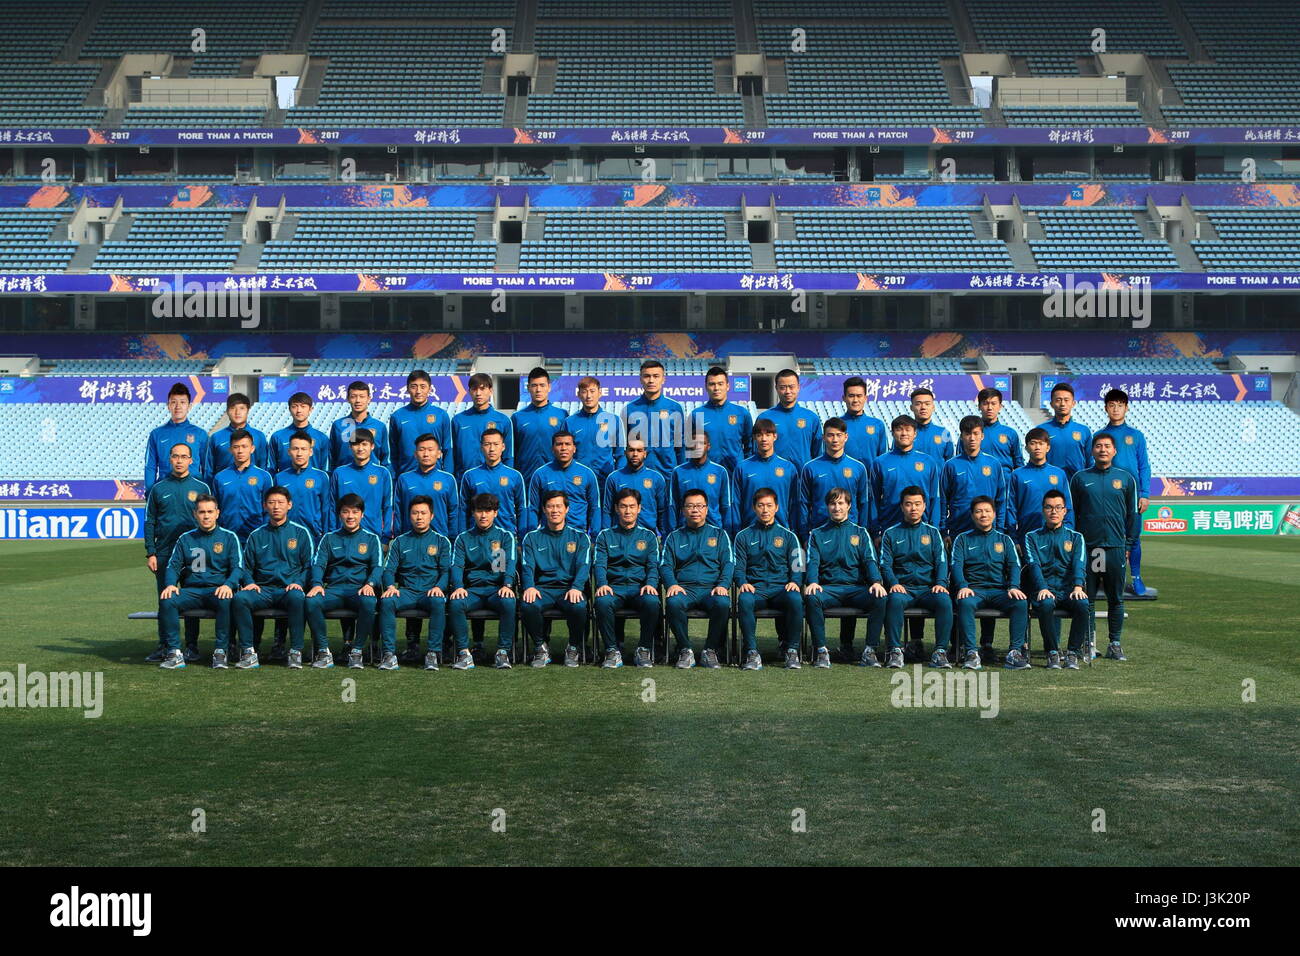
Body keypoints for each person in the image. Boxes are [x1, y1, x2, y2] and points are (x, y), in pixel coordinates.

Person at [1070, 434, 1139, 661]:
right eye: (1098, 446)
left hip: (1115, 548)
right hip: (1088, 548)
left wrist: (1127, 544)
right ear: (1092, 451)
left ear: (1114, 451)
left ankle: (1115, 643)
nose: (1102, 450)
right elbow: (1073, 515)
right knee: (1086, 598)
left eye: (1107, 446)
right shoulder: (1080, 479)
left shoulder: (1126, 479)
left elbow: (1133, 515)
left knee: (1115, 598)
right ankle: (1088, 643)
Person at [232, 486, 315, 670]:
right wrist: (251, 583)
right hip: (263, 590)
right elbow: (245, 567)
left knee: (297, 597)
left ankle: (295, 651)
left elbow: (309, 566)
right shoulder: (256, 535)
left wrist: (298, 583)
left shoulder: (301, 533)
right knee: (240, 599)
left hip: (288, 590)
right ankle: (249, 651)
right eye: (271, 503)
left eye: (280, 502)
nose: (276, 506)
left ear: (289, 505)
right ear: (264, 506)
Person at [157, 494, 243, 670]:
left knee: (226, 600)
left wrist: (228, 585)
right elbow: (173, 566)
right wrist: (171, 584)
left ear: (217, 513)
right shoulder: (185, 538)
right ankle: (174, 652)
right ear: (195, 514)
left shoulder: (229, 537)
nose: (206, 516)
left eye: (210, 512)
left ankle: (221, 651)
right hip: (191, 591)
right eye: (202, 512)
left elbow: (238, 568)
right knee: (167, 600)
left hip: (218, 590)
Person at [804, 487, 887, 668]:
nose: (837, 508)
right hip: (828, 589)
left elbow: (870, 560)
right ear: (827, 507)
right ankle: (821, 651)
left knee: (880, 596)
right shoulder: (817, 534)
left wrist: (876, 582)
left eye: (841, 503)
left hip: (856, 589)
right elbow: (812, 562)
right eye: (833, 504)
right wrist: (812, 582)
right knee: (811, 597)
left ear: (849, 506)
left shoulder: (861, 532)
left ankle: (869, 651)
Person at [143, 443, 210, 663]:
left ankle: (191, 646)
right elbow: (149, 521)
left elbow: (209, 521)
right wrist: (150, 552)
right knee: (165, 599)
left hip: (195, 552)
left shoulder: (202, 487)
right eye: (175, 456)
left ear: (191, 460)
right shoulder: (158, 488)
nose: (179, 460)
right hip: (164, 552)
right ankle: (166, 645)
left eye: (184, 457)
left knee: (192, 596)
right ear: (169, 459)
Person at [878, 487, 955, 669]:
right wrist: (894, 583)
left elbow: (942, 562)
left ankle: (940, 652)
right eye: (909, 504)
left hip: (928, 589)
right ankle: (895, 651)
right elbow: (885, 565)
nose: (913, 508)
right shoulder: (891, 533)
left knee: (944, 600)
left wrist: (940, 583)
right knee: (894, 600)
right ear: (902, 507)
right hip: (903, 589)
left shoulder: (932, 532)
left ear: (924, 506)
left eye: (918, 504)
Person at [951, 496, 1031, 670]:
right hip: (974, 590)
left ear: (994, 514)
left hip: (999, 591)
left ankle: (1014, 653)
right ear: (972, 515)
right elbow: (956, 565)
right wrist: (963, 585)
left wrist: (1014, 586)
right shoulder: (962, 539)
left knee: (1020, 602)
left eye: (987, 511)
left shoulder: (1004, 540)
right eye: (979, 511)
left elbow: (1014, 566)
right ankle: (971, 652)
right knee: (964, 602)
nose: (983, 515)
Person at [305, 493, 383, 670]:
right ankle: (324, 651)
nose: (350, 516)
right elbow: (318, 564)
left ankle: (356, 652)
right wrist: (317, 583)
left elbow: (378, 567)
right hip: (334, 590)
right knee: (311, 601)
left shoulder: (372, 539)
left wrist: (370, 584)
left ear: (362, 515)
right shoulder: (329, 538)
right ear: (339, 514)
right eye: (346, 512)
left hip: (359, 590)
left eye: (355, 512)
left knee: (370, 602)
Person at [660, 490, 733, 669]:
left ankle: (710, 650)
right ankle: (685, 650)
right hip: (685, 589)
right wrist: (672, 584)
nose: (695, 510)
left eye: (699, 506)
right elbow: (665, 565)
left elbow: (729, 563)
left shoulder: (720, 535)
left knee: (723, 603)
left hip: (711, 589)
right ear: (683, 510)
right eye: (690, 506)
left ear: (707, 510)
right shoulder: (674, 537)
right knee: (673, 602)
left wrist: (723, 584)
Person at [378, 496, 453, 672]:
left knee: (438, 601)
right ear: (409, 516)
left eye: (423, 513)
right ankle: (389, 654)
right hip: (407, 592)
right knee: (387, 601)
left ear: (431, 516)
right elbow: (388, 570)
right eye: (415, 513)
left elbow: (446, 572)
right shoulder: (399, 542)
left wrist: (438, 587)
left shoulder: (442, 541)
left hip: (430, 592)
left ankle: (433, 653)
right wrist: (390, 586)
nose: (419, 517)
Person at [734, 487, 805, 670]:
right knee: (744, 599)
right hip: (755, 589)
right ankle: (751, 652)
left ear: (777, 507)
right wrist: (743, 583)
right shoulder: (743, 536)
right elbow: (738, 567)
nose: (765, 510)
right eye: (760, 506)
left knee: (795, 598)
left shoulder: (789, 536)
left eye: (769, 505)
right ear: (754, 508)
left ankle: (792, 650)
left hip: (781, 589)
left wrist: (795, 582)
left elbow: (799, 566)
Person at [520, 490, 592, 668]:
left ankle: (573, 647)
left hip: (569, 589)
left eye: (559, 506)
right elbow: (527, 566)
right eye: (550, 506)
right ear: (544, 509)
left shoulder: (580, 537)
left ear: (567, 509)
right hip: (542, 589)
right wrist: (529, 586)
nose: (554, 510)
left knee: (579, 605)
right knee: (528, 604)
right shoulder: (532, 538)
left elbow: (584, 566)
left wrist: (576, 587)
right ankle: (540, 648)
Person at [448, 493, 518, 670]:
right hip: (473, 591)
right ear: (473, 513)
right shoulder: (463, 538)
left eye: (488, 511)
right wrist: (458, 586)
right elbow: (456, 566)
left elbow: (510, 563)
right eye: (479, 511)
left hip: (497, 590)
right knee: (456, 602)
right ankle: (464, 653)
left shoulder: (505, 536)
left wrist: (507, 585)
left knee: (509, 602)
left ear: (496, 513)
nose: (483, 515)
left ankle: (503, 652)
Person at [592, 489, 661, 669]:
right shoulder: (605, 535)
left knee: (652, 601)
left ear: (639, 508)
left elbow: (653, 566)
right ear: (616, 509)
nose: (628, 511)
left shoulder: (649, 536)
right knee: (602, 601)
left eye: (632, 506)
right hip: (614, 588)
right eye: (623, 506)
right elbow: (600, 565)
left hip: (639, 588)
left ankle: (644, 649)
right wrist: (602, 584)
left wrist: (650, 584)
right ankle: (612, 650)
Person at [1022, 489, 1091, 670]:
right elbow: (1033, 565)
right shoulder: (1032, 537)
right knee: (1045, 603)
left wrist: (1078, 587)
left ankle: (1072, 653)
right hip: (1043, 590)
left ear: (1065, 511)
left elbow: (1079, 563)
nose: (1054, 511)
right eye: (1049, 507)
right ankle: (1052, 652)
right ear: (1043, 510)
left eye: (1058, 507)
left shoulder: (1076, 537)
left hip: (1068, 590)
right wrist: (1042, 588)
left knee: (1083, 604)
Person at [1094, 388, 1152, 595]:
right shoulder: (1099, 436)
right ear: (1106, 408)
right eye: (1112, 405)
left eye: (1120, 405)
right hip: (1106, 495)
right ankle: (1100, 578)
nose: (1116, 409)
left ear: (1126, 408)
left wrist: (1144, 494)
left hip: (1131, 495)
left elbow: (1144, 466)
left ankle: (1136, 578)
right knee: (1101, 537)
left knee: (1133, 537)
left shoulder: (1136, 436)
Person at [799, 417, 871, 538]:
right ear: (823, 437)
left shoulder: (858, 468)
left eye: (839, 435)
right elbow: (804, 503)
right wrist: (804, 535)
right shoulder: (810, 468)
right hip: (820, 532)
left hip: (850, 533)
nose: (835, 439)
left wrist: (862, 532)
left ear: (846, 437)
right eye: (830, 435)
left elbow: (863, 503)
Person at [871, 415, 942, 535]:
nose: (904, 433)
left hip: (923, 528)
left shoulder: (928, 462)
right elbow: (874, 499)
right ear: (892, 433)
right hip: (890, 527)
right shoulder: (880, 462)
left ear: (915, 434)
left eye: (908, 429)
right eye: (899, 429)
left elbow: (934, 497)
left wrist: (935, 528)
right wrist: (875, 530)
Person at [940, 416, 1007, 540]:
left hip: (988, 530)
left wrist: (1000, 529)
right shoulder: (951, 465)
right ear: (961, 436)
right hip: (958, 529)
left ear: (982, 436)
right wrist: (944, 531)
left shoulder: (994, 464)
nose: (972, 438)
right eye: (968, 434)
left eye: (976, 433)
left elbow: (1001, 500)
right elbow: (944, 501)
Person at [527, 430, 601, 535]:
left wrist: (594, 536)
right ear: (552, 449)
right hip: (548, 534)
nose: (563, 448)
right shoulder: (540, 474)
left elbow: (594, 508)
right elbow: (533, 508)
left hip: (579, 533)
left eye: (567, 444)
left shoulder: (587, 474)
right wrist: (532, 535)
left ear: (574, 448)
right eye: (559, 444)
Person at [735, 418, 800, 535]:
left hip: (781, 531)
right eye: (759, 435)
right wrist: (736, 531)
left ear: (775, 437)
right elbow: (736, 503)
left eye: (768, 435)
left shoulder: (788, 468)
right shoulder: (742, 468)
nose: (764, 439)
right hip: (750, 532)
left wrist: (794, 530)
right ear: (754, 438)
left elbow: (794, 503)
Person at [1007, 427, 1073, 542]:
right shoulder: (1017, 475)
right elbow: (1011, 509)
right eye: (1033, 444)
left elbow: (1068, 507)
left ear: (1048, 447)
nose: (1037, 447)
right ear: (1027, 448)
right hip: (1026, 535)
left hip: (1056, 537)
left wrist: (1067, 534)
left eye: (1041, 444)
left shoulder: (1059, 474)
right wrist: (1014, 539)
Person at [624, 359, 686, 477]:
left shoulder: (674, 408)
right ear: (641, 379)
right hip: (637, 474)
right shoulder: (630, 409)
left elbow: (681, 445)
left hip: (668, 473)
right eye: (647, 376)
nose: (651, 380)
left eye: (656, 376)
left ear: (663, 379)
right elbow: (623, 445)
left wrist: (682, 472)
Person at [210, 429, 275, 542]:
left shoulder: (264, 477)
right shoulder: (220, 478)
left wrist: (264, 533)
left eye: (244, 446)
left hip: (256, 537)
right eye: (236, 447)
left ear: (252, 448)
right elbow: (215, 508)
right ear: (230, 449)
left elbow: (269, 509)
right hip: (227, 537)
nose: (240, 451)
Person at [330, 428, 394, 539]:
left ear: (372, 446)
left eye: (364, 444)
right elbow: (332, 507)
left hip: (374, 535)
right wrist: (332, 533)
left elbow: (388, 506)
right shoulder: (339, 473)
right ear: (350, 447)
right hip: (343, 536)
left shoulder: (382, 473)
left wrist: (386, 537)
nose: (360, 448)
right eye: (356, 444)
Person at [145, 382, 211, 489]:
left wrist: (207, 491)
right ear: (168, 406)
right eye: (174, 402)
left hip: (193, 491)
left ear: (189, 406)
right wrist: (149, 492)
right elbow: (150, 467)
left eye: (182, 402)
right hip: (165, 489)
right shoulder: (156, 434)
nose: (178, 406)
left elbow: (207, 467)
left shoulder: (200, 434)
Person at [389, 369, 452, 479]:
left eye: (423, 386)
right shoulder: (397, 416)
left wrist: (447, 475)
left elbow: (447, 449)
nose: (418, 391)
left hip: (435, 477)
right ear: (408, 389)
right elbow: (394, 452)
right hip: (406, 477)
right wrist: (395, 477)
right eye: (414, 386)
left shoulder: (441, 415)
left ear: (430, 389)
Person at [604, 436, 671, 538]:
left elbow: (662, 511)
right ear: (625, 452)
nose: (635, 454)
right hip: (619, 536)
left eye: (639, 450)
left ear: (645, 453)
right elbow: (607, 511)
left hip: (648, 535)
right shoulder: (614, 478)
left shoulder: (656, 478)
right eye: (631, 450)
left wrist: (664, 536)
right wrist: (607, 536)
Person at [395, 434, 461, 538]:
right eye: (422, 450)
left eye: (430, 450)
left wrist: (452, 538)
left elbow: (453, 512)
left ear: (439, 454)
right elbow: (398, 512)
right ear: (415, 454)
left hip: (440, 539)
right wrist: (398, 536)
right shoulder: (404, 479)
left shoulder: (448, 479)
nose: (426, 454)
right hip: (409, 539)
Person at [692, 366, 753, 478]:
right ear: (706, 387)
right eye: (712, 384)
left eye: (720, 384)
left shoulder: (742, 413)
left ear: (728, 386)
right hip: (706, 474)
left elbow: (750, 445)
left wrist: (746, 468)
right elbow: (690, 449)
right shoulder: (696, 415)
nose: (716, 388)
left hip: (735, 474)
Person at [756, 368, 822, 470]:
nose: (787, 391)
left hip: (803, 477)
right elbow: (756, 450)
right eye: (783, 387)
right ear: (776, 388)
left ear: (798, 387)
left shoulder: (811, 418)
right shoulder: (764, 418)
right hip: (773, 475)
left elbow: (817, 454)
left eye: (791, 387)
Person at [512, 367, 569, 483]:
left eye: (542, 385)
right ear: (528, 388)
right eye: (534, 385)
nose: (538, 390)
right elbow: (512, 451)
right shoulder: (517, 417)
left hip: (555, 476)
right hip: (526, 477)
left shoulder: (562, 415)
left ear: (549, 387)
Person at [670, 431, 733, 532]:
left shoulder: (720, 471)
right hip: (685, 530)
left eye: (702, 443)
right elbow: (673, 505)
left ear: (708, 446)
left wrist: (727, 533)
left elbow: (726, 506)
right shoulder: (678, 472)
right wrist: (672, 531)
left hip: (714, 529)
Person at [452, 373, 514, 475]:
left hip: (493, 479)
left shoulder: (503, 420)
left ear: (490, 391)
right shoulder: (458, 420)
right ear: (469, 392)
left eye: (482, 389)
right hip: (463, 480)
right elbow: (452, 454)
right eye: (474, 389)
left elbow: (508, 456)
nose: (478, 393)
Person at [567, 376, 622, 489]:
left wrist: (618, 479)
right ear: (578, 395)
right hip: (577, 482)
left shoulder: (613, 420)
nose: (588, 396)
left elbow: (620, 454)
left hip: (605, 482)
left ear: (600, 393)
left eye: (592, 391)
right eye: (584, 392)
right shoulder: (570, 422)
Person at [329, 380, 390, 470]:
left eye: (362, 397)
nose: (358, 400)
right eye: (353, 397)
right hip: (345, 477)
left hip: (372, 478)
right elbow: (332, 457)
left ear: (369, 399)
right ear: (348, 399)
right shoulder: (338, 425)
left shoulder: (379, 427)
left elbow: (384, 459)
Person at [1041, 381, 1091, 478]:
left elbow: (1090, 461)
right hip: (1050, 483)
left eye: (1066, 400)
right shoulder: (1042, 430)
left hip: (1077, 483)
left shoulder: (1084, 431)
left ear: (1073, 403)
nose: (1062, 404)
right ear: (1051, 404)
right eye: (1058, 400)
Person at [210, 393, 270, 475]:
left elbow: (264, 466)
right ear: (227, 411)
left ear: (248, 410)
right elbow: (209, 469)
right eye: (233, 408)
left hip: (253, 484)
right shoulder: (216, 437)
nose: (237, 412)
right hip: (224, 485)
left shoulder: (259, 436)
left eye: (242, 408)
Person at [269, 392, 329, 473]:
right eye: (294, 406)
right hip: (285, 483)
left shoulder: (322, 438)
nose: (299, 410)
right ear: (289, 409)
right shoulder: (277, 437)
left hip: (313, 484)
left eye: (303, 406)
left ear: (311, 409)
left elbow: (324, 468)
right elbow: (272, 468)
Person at [840, 376, 889, 464]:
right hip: (844, 476)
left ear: (865, 398)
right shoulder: (837, 425)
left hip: (871, 477)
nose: (855, 400)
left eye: (859, 396)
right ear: (844, 398)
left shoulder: (877, 424)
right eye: (851, 396)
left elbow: (883, 457)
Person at [976, 387, 1023, 475]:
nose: (990, 407)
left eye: (993, 403)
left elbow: (1019, 465)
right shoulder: (970, 434)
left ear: (1000, 406)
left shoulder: (1010, 433)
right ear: (979, 406)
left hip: (1005, 484)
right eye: (985, 403)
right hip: (978, 483)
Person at [909, 388, 954, 463]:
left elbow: (949, 462)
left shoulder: (944, 433)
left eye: (927, 404)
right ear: (911, 407)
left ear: (933, 407)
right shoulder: (904, 434)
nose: (923, 407)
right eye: (918, 404)